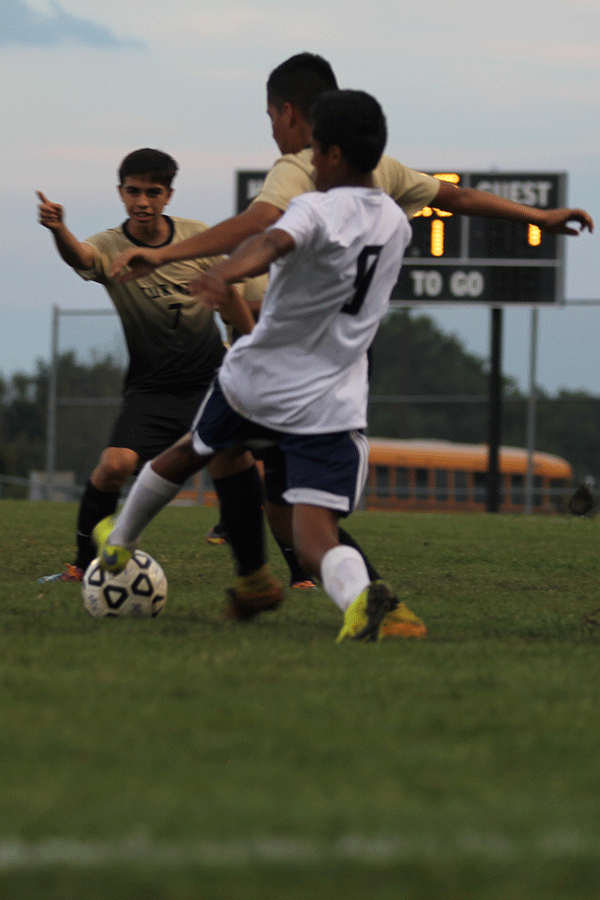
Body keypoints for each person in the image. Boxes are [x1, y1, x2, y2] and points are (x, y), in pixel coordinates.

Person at [108, 53, 594, 596]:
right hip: (337, 380)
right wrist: (539, 218)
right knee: (300, 511)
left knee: (200, 450)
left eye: (271, 117)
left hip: (267, 364)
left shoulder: (301, 177)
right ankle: (335, 593)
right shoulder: (389, 201)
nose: (276, 132)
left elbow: (263, 231)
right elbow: (454, 197)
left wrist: (192, 262)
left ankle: (129, 545)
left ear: (294, 117)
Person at [94, 89, 426, 641]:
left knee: (191, 450)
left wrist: (225, 272)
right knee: (315, 533)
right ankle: (362, 599)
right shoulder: (396, 222)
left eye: (315, 153)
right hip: (332, 399)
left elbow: (270, 242)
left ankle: (118, 542)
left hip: (261, 380)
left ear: (335, 155)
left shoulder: (315, 208)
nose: (311, 164)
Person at [36, 148, 255, 583]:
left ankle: (291, 571)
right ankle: (80, 566)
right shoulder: (110, 245)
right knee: (115, 465)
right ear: (120, 193)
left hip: (211, 384)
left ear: (168, 195)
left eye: (152, 192)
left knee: (242, 462)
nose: (142, 201)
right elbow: (81, 257)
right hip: (151, 390)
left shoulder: (196, 239)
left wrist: (249, 342)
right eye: (133, 191)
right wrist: (59, 229)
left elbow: (231, 292)